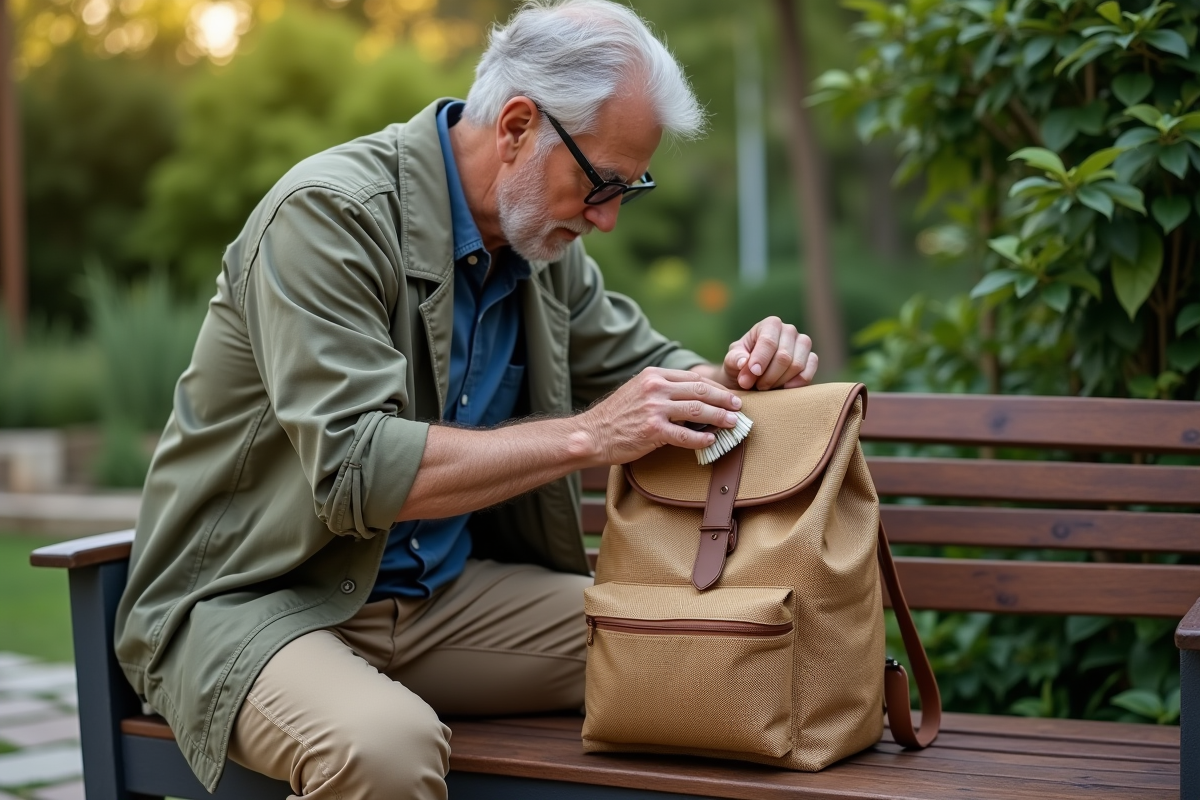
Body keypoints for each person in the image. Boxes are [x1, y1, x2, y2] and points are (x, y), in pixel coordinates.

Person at [114, 1, 819, 797]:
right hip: (254, 601)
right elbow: (358, 473)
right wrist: (589, 437)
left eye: (632, 187)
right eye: (601, 182)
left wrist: (748, 369)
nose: (610, 219)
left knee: (728, 652)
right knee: (386, 750)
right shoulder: (328, 217)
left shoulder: (541, 249)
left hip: (444, 603)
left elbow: (658, 376)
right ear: (517, 127)